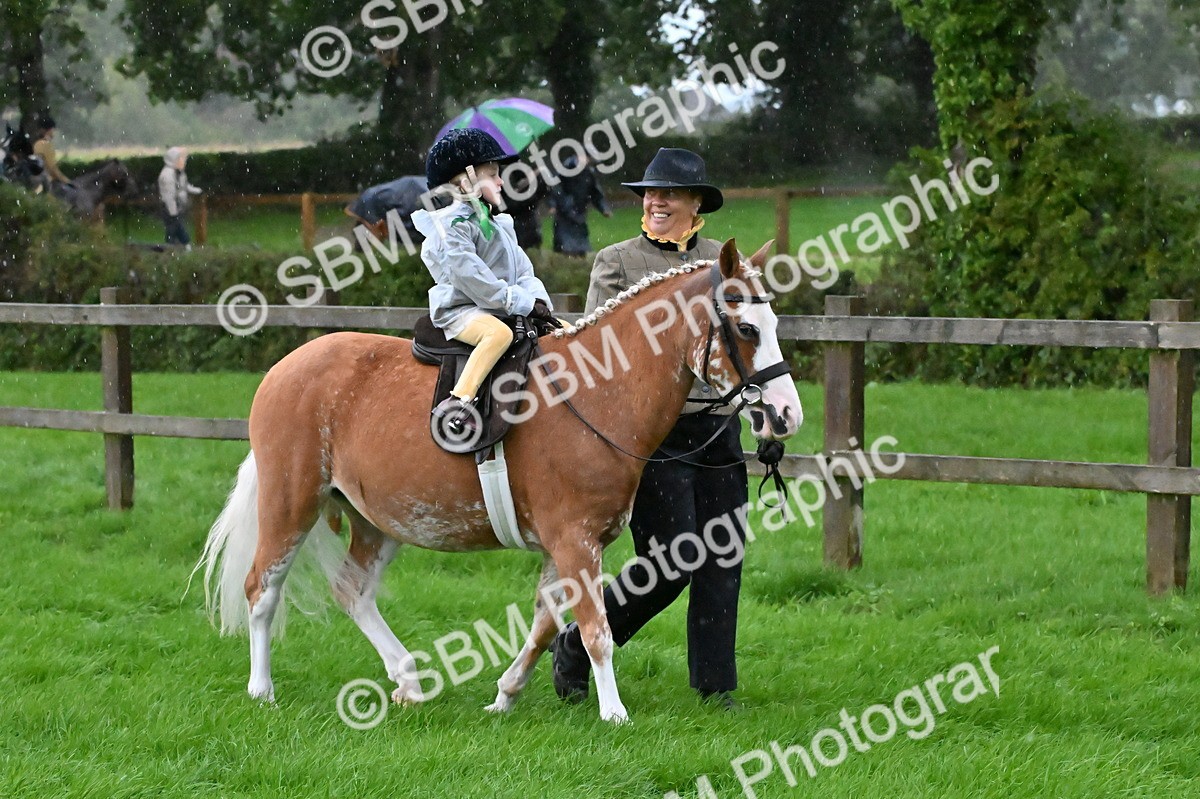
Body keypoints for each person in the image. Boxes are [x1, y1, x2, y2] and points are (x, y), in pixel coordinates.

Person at [550, 147, 782, 710]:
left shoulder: (722, 264)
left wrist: (765, 412)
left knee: (722, 560)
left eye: (670, 193)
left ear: (697, 203)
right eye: (650, 193)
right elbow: (599, 353)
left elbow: (754, 341)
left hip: (719, 428)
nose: (655, 201)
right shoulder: (617, 262)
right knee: (670, 564)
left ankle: (715, 688)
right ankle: (577, 647)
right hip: (652, 439)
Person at [411, 128, 555, 436]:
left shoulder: (496, 223)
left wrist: (539, 301)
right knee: (498, 335)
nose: (502, 181)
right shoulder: (453, 228)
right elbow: (474, 280)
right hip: (461, 311)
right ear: (465, 180)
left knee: (564, 332)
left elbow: (522, 269)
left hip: (493, 304)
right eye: (493, 174)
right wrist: (522, 303)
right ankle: (458, 403)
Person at [548, 153, 611, 256]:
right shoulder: (565, 169)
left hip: (579, 213)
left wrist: (603, 208)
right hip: (564, 214)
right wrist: (554, 204)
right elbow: (555, 188)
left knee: (581, 246)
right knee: (565, 244)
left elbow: (595, 193)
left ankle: (578, 259)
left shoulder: (588, 173)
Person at [157, 147, 203, 248]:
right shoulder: (167, 175)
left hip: (178, 207)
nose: (183, 161)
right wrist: (173, 213)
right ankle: (182, 247)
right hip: (170, 208)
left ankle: (173, 249)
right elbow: (169, 196)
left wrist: (197, 191)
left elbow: (184, 186)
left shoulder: (179, 173)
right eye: (181, 159)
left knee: (174, 229)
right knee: (176, 229)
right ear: (173, 159)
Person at [31, 116, 70, 193]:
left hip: (37, 183)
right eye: (53, 129)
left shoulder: (37, 144)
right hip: (48, 182)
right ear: (49, 130)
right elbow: (52, 169)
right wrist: (67, 181)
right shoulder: (46, 145)